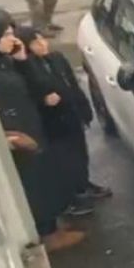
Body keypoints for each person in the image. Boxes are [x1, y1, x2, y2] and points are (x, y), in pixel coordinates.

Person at [0, 16, 81, 251]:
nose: (13, 39)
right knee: (33, 184)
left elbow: (34, 86)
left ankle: (51, 227)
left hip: (31, 126)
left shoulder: (4, 60)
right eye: (6, 35)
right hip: (16, 135)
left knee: (44, 178)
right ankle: (47, 234)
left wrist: (22, 61)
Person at [16, 26, 110, 214]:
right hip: (54, 123)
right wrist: (43, 100)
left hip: (72, 115)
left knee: (80, 154)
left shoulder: (56, 58)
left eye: (42, 39)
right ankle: (71, 196)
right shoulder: (28, 68)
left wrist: (84, 109)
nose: (42, 44)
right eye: (35, 42)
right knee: (64, 159)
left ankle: (83, 185)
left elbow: (72, 84)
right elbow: (31, 91)